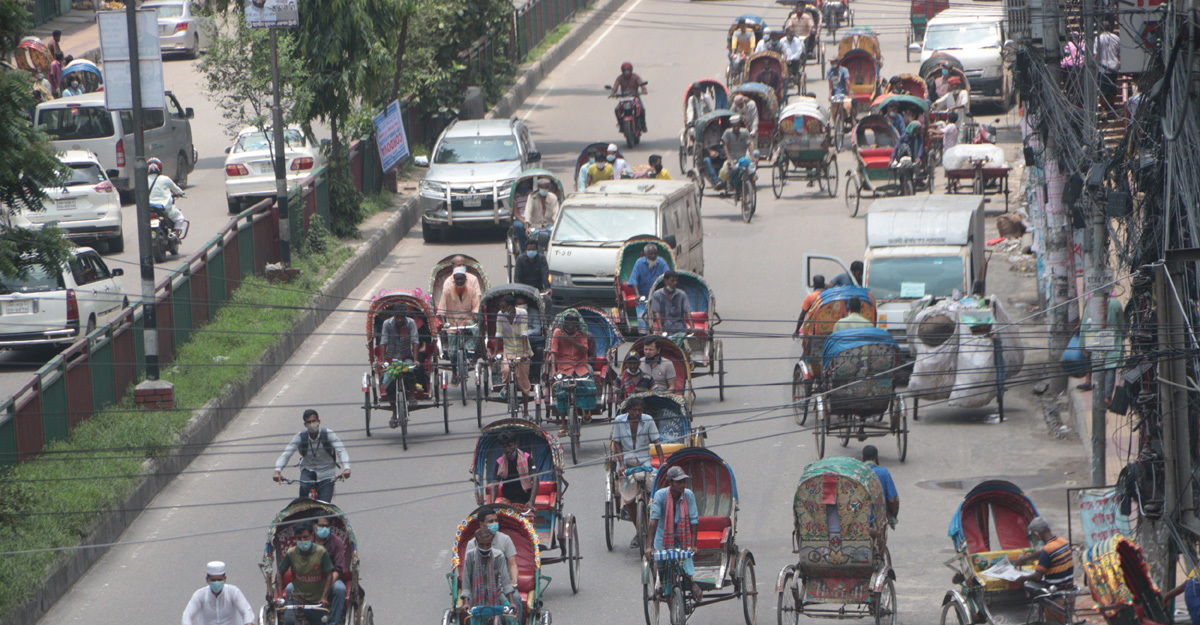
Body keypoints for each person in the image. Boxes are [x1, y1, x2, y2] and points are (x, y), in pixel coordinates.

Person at [645, 466, 702, 601]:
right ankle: (672, 610)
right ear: (670, 483)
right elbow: (653, 521)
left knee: (684, 558)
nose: (682, 485)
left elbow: (694, 520)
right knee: (666, 582)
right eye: (679, 482)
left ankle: (690, 582)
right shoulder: (660, 495)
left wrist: (693, 545)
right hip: (663, 538)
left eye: (684, 481)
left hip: (682, 537)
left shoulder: (688, 495)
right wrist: (649, 546)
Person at [611, 397, 661, 546]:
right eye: (635, 410)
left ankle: (651, 522)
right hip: (626, 461)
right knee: (628, 498)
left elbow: (657, 442)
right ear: (628, 411)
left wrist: (663, 463)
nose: (637, 413)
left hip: (644, 460)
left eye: (640, 410)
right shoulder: (620, 420)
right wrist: (621, 465)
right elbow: (617, 444)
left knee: (652, 490)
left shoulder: (648, 420)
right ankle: (638, 530)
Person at [273, 410, 351, 501]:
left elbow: (341, 451)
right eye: (309, 422)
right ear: (305, 424)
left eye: (314, 421)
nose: (312, 424)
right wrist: (277, 471)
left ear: (319, 421)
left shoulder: (328, 434)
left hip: (327, 472)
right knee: (303, 494)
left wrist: (347, 468)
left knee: (325, 505)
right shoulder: (300, 437)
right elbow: (286, 454)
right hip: (308, 470)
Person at [275, 523, 334, 625]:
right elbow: (280, 573)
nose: (302, 541)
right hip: (297, 598)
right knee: (288, 622)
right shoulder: (291, 553)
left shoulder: (321, 552)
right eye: (299, 538)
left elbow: (329, 574)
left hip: (316, 600)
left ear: (312, 536)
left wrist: (324, 597)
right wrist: (280, 597)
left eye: (305, 537)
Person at [549, 310, 598, 430]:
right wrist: (553, 370)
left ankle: (586, 410)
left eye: (573, 322)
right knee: (561, 391)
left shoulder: (582, 332)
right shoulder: (557, 332)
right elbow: (554, 352)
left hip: (581, 366)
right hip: (564, 367)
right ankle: (564, 424)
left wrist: (570, 339)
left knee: (589, 387)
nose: (570, 324)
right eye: (568, 321)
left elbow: (584, 349)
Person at [459, 528, 519, 622]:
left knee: (511, 619)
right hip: (475, 596)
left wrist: (511, 602)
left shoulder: (498, 555)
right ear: (476, 543)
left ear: (491, 543)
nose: (485, 547)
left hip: (496, 593)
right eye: (482, 544)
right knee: (474, 620)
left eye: (488, 544)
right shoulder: (470, 556)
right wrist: (466, 603)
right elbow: (466, 583)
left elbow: (506, 581)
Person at [438, 265, 483, 385]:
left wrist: (475, 316)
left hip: (467, 321)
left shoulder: (471, 290)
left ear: (465, 279)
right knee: (452, 353)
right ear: (454, 279)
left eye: (461, 279)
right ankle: (454, 372)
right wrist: (444, 323)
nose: (459, 281)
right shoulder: (447, 290)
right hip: (452, 323)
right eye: (457, 279)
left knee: (477, 330)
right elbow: (441, 309)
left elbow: (476, 307)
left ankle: (472, 353)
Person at [380, 307, 427, 416]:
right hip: (391, 357)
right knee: (388, 384)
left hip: (406, 355)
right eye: (397, 317)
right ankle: (394, 413)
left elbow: (415, 341)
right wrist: (382, 360)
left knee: (410, 369)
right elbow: (383, 342)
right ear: (394, 316)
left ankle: (411, 394)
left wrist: (415, 360)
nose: (400, 319)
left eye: (402, 317)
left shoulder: (411, 323)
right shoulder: (387, 324)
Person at [182, 561, 255, 625]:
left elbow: (246, 611)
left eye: (219, 579)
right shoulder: (199, 595)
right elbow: (187, 616)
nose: (216, 582)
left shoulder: (234, 592)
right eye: (213, 580)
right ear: (207, 580)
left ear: (225, 579)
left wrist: (248, 623)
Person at [466, 506, 521, 586]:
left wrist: (514, 580)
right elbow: (468, 570)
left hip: (503, 584)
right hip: (480, 585)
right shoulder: (472, 544)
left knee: (516, 598)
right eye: (491, 521)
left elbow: (513, 564)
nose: (494, 524)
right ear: (482, 525)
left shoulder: (505, 539)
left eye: (496, 521)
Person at [1013, 517, 1075, 588]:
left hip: (1056, 587)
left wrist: (1023, 578)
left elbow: (1037, 577)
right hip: (1069, 584)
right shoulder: (1063, 541)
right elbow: (1044, 553)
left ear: (1036, 534)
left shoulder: (1047, 550)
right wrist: (1024, 558)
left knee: (1028, 584)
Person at [312, 516, 349, 625]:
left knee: (340, 589)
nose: (324, 528)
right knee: (291, 588)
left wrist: (326, 583)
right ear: (314, 525)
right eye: (321, 526)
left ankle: (333, 622)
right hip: (309, 578)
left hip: (332, 578)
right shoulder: (307, 540)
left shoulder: (337, 542)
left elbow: (339, 569)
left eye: (327, 526)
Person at [497, 295, 532, 400]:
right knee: (507, 370)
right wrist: (494, 353)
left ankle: (525, 412)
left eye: (504, 307)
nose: (502, 310)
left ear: (511, 307)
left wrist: (525, 352)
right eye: (501, 308)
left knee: (523, 382)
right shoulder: (500, 315)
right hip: (509, 350)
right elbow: (498, 334)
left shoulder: (522, 314)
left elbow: (524, 333)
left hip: (522, 351)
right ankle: (507, 387)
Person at [491, 432, 537, 509]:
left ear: (515, 444)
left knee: (524, 520)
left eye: (510, 446)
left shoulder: (526, 458)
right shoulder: (500, 462)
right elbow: (495, 485)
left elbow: (535, 479)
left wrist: (531, 501)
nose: (507, 450)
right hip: (507, 498)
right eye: (504, 447)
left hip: (524, 498)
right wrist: (492, 504)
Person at [514, 178, 557, 250]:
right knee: (532, 244)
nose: (544, 189)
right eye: (542, 187)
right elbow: (528, 211)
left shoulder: (553, 198)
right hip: (535, 225)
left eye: (546, 187)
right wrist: (527, 226)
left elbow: (556, 213)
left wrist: (556, 225)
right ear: (538, 188)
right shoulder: (532, 197)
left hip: (549, 225)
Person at [862, 445, 899, 527]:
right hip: (878, 520)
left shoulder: (857, 472)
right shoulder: (884, 473)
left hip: (860, 521)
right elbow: (892, 500)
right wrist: (892, 515)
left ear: (862, 459)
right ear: (876, 458)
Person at [147, 157, 187, 232]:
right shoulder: (165, 179)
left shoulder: (143, 180)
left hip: (148, 208)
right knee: (179, 218)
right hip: (164, 208)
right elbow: (177, 190)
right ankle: (175, 235)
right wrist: (181, 193)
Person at [649, 270, 692, 336]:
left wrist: (692, 328)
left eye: (676, 281)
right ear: (665, 282)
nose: (675, 283)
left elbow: (688, 312)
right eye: (672, 281)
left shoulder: (682, 294)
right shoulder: (657, 295)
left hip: (680, 329)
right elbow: (657, 313)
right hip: (665, 329)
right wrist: (660, 329)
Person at [610, 62, 647, 133]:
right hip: (624, 98)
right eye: (625, 71)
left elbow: (641, 83)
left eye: (628, 71)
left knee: (642, 109)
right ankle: (621, 124)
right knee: (617, 109)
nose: (627, 73)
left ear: (631, 70)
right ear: (622, 71)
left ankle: (643, 125)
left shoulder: (635, 77)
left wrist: (644, 90)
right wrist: (612, 93)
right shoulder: (620, 78)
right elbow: (615, 86)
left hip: (635, 97)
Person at [1094, 19, 1120, 101]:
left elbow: (1095, 54)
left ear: (1100, 29)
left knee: (1103, 91)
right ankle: (1110, 108)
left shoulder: (1098, 39)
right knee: (1112, 89)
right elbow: (1119, 53)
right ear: (1110, 28)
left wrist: (1093, 66)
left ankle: (1104, 110)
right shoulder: (1116, 38)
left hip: (1102, 68)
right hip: (1114, 67)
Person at [827, 58, 853, 127]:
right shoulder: (829, 71)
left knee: (848, 107)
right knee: (834, 110)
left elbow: (847, 82)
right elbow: (830, 85)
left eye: (833, 62)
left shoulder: (844, 70)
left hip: (844, 94)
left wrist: (850, 92)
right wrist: (829, 94)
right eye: (831, 63)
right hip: (835, 95)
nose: (832, 64)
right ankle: (836, 125)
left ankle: (849, 119)